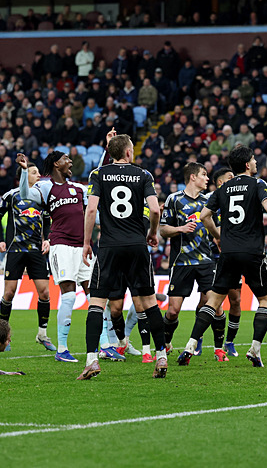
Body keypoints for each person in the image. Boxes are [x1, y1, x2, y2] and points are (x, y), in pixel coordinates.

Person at [179, 144, 267, 368]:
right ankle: (255, 350)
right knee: (266, 300)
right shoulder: (258, 183)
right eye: (255, 160)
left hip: (228, 252)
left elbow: (204, 215)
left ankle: (190, 345)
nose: (257, 163)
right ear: (248, 164)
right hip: (252, 252)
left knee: (214, 301)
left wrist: (218, 235)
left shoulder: (224, 188)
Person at [79, 128, 166, 380]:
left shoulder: (98, 174)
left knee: (97, 303)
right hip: (137, 245)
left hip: (109, 246)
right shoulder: (143, 174)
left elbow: (91, 210)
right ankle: (160, 356)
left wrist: (87, 242)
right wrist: (151, 233)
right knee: (149, 302)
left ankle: (92, 361)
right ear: (129, 152)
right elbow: (155, 210)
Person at [19, 150, 110, 363]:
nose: (70, 162)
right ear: (56, 164)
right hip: (61, 246)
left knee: (95, 295)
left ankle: (105, 345)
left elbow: (97, 175)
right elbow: (25, 195)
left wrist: (106, 151)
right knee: (68, 295)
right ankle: (62, 348)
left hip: (83, 248)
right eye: (66, 159)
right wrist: (24, 173)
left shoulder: (78, 188)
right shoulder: (45, 186)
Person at [159, 162, 221, 360]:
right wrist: (180, 229)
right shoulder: (174, 199)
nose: (207, 178)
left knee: (210, 303)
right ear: (192, 177)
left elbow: (216, 230)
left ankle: (194, 344)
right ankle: (166, 342)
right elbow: (163, 229)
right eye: (204, 174)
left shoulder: (209, 202)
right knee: (173, 312)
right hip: (181, 262)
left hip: (206, 261)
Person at [0, 154, 54, 353]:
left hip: (36, 250)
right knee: (9, 293)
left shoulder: (40, 197)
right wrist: (1, 240)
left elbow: (46, 219)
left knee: (44, 293)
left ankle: (42, 334)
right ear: (25, 174)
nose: (38, 176)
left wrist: (47, 239)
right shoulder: (11, 195)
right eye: (34, 172)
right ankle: (3, 338)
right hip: (15, 250)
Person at [211, 167, 244, 357]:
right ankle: (198, 340)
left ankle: (229, 342)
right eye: (231, 178)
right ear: (221, 183)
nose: (235, 180)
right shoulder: (211, 201)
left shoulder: (236, 202)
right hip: (210, 258)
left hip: (231, 257)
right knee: (208, 302)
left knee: (236, 300)